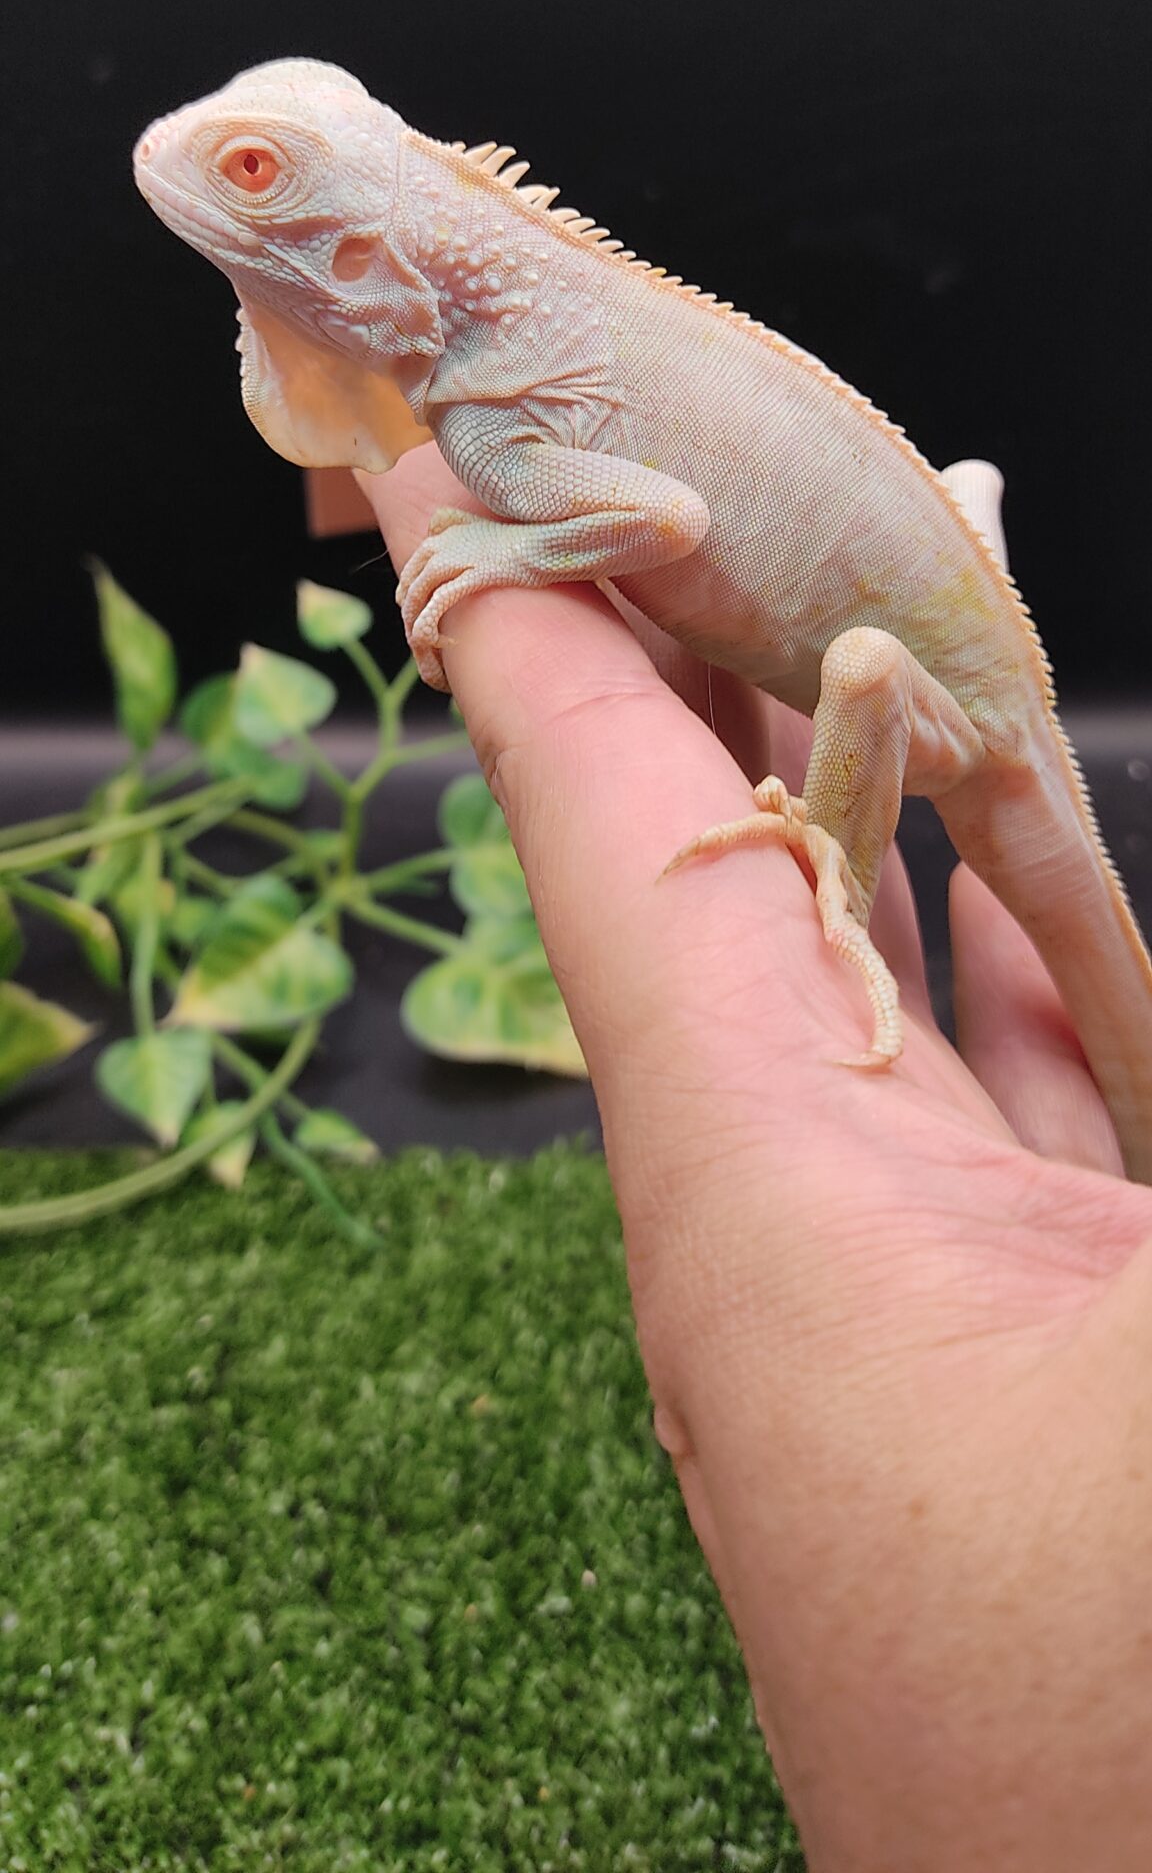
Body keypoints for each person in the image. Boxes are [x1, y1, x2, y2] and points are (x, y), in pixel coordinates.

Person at [363, 447, 1152, 1871]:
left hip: (936, 696)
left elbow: (670, 520)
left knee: (860, 669)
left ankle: (842, 854)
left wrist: (519, 554)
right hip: (949, 679)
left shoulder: (491, 394)